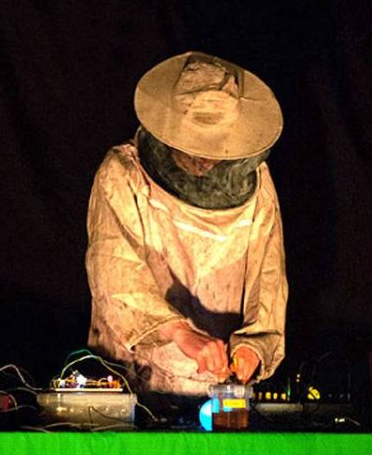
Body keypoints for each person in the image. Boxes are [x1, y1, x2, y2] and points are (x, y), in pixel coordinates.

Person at [86, 51, 287, 396]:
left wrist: (254, 347)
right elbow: (115, 274)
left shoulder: (258, 186)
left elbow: (269, 281)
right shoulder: (123, 174)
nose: (204, 159)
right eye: (196, 146)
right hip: (132, 383)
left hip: (220, 391)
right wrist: (180, 332)